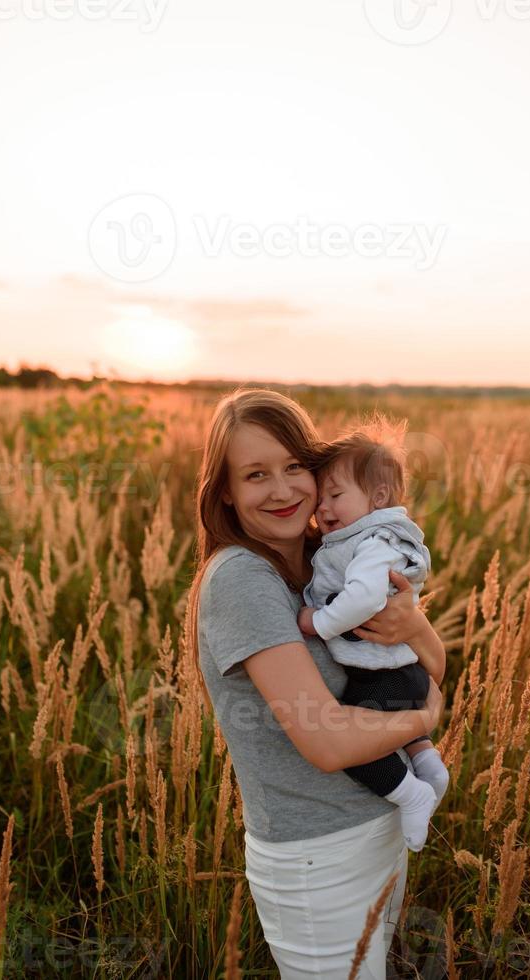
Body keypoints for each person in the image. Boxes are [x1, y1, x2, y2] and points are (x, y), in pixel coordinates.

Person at [187, 387, 446, 980]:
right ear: (225, 489)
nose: (282, 490)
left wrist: (419, 631)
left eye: (294, 467)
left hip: (382, 826)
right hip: (317, 859)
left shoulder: (329, 555)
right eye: (255, 475)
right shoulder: (242, 581)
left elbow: (429, 665)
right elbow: (327, 743)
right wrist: (427, 718)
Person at [296, 419, 450, 851]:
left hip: (389, 674)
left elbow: (364, 596)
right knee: (387, 726)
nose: (323, 508)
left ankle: (410, 792)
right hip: (400, 672)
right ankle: (428, 762)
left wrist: (317, 621)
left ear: (378, 497)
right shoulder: (354, 537)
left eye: (336, 495)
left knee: (356, 748)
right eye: (319, 497)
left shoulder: (375, 541)